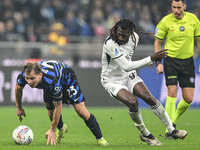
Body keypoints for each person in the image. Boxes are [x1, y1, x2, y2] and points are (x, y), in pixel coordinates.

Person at [101, 18, 188, 146]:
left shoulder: (135, 38)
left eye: (124, 35)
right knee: (133, 102)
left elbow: (128, 64)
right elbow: (126, 65)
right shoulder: (110, 44)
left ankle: (172, 130)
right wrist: (151, 58)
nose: (120, 37)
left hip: (128, 75)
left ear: (131, 33)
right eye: (119, 33)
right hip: (112, 80)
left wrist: (154, 60)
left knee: (149, 98)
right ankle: (146, 135)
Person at [15, 60, 109, 146]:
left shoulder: (52, 80)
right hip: (49, 84)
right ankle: (61, 127)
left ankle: (100, 138)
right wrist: (19, 107)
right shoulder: (23, 75)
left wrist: (52, 129)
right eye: (27, 78)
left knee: (81, 112)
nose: (29, 82)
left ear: (40, 75)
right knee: (50, 113)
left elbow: (58, 107)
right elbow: (18, 89)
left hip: (67, 80)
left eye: (32, 78)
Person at [154, 0, 200, 139]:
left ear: (184, 7)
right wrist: (158, 62)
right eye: (174, 7)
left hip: (188, 62)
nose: (176, 10)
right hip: (171, 61)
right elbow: (157, 42)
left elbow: (199, 40)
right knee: (172, 92)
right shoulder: (165, 21)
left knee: (188, 99)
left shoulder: (193, 20)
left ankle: (172, 121)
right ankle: (170, 128)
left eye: (179, 7)